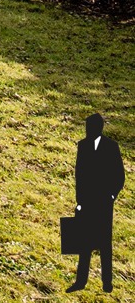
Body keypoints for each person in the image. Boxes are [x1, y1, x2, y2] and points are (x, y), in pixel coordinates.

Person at [73, 113, 125, 293]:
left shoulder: (111, 147)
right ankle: (81, 281)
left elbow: (119, 175)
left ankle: (107, 283)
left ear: (98, 128)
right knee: (84, 243)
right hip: (87, 202)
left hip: (103, 203)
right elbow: (79, 176)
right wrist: (79, 201)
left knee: (104, 244)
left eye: (90, 127)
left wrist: (111, 195)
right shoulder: (83, 145)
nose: (88, 130)